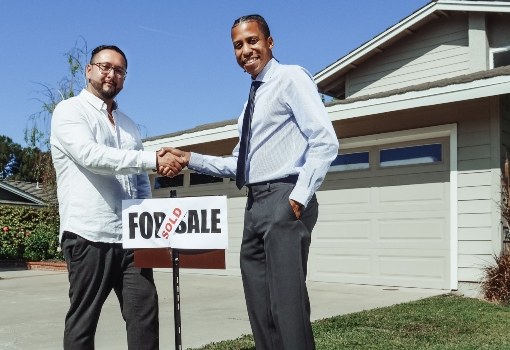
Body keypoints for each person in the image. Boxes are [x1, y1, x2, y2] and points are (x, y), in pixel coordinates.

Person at [160, 14, 338, 350]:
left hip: (283, 198)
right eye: (238, 45)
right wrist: (189, 159)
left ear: (269, 43)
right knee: (260, 307)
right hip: (255, 204)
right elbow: (238, 164)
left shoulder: (290, 78)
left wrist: (298, 197)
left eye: (252, 41)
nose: (245, 50)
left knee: (287, 307)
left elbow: (325, 141)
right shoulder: (249, 105)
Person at [50, 44, 186, 350]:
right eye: (105, 66)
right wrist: (152, 160)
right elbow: (91, 156)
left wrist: (149, 228)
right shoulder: (69, 111)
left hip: (131, 238)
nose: (112, 74)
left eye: (119, 70)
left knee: (144, 313)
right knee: (83, 321)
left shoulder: (128, 125)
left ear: (125, 78)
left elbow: (139, 182)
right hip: (88, 234)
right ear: (89, 70)